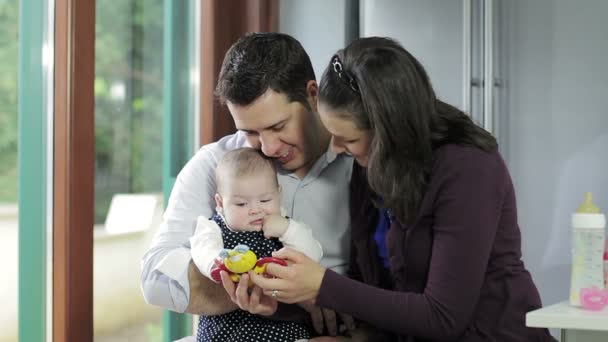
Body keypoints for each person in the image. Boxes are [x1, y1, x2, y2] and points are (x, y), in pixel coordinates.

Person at [250, 37, 556, 341]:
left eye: (350, 139)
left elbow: (442, 317)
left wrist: (323, 285)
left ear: (389, 131)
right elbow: (375, 293)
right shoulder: (370, 165)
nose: (337, 148)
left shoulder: (468, 167)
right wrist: (281, 303)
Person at [140, 32, 355, 339]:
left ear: (312, 94)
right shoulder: (215, 165)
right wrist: (278, 291)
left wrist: (330, 291)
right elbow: (155, 279)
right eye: (250, 132)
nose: (266, 147)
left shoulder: (358, 161)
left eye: (278, 126)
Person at [191, 147, 322, 341]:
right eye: (241, 204)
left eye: (265, 200)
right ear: (220, 203)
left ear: (279, 195)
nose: (255, 210)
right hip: (227, 325)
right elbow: (202, 247)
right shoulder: (214, 227)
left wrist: (287, 229)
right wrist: (216, 262)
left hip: (282, 324)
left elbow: (313, 256)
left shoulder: (288, 227)